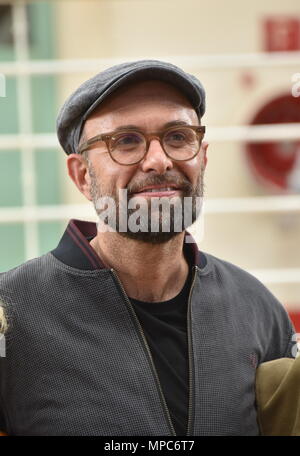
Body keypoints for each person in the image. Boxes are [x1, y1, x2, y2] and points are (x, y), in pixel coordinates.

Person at [0, 60, 296, 436]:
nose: (159, 160)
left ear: (202, 157)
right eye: (125, 140)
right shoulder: (12, 316)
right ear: (82, 176)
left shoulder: (257, 310)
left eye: (177, 136)